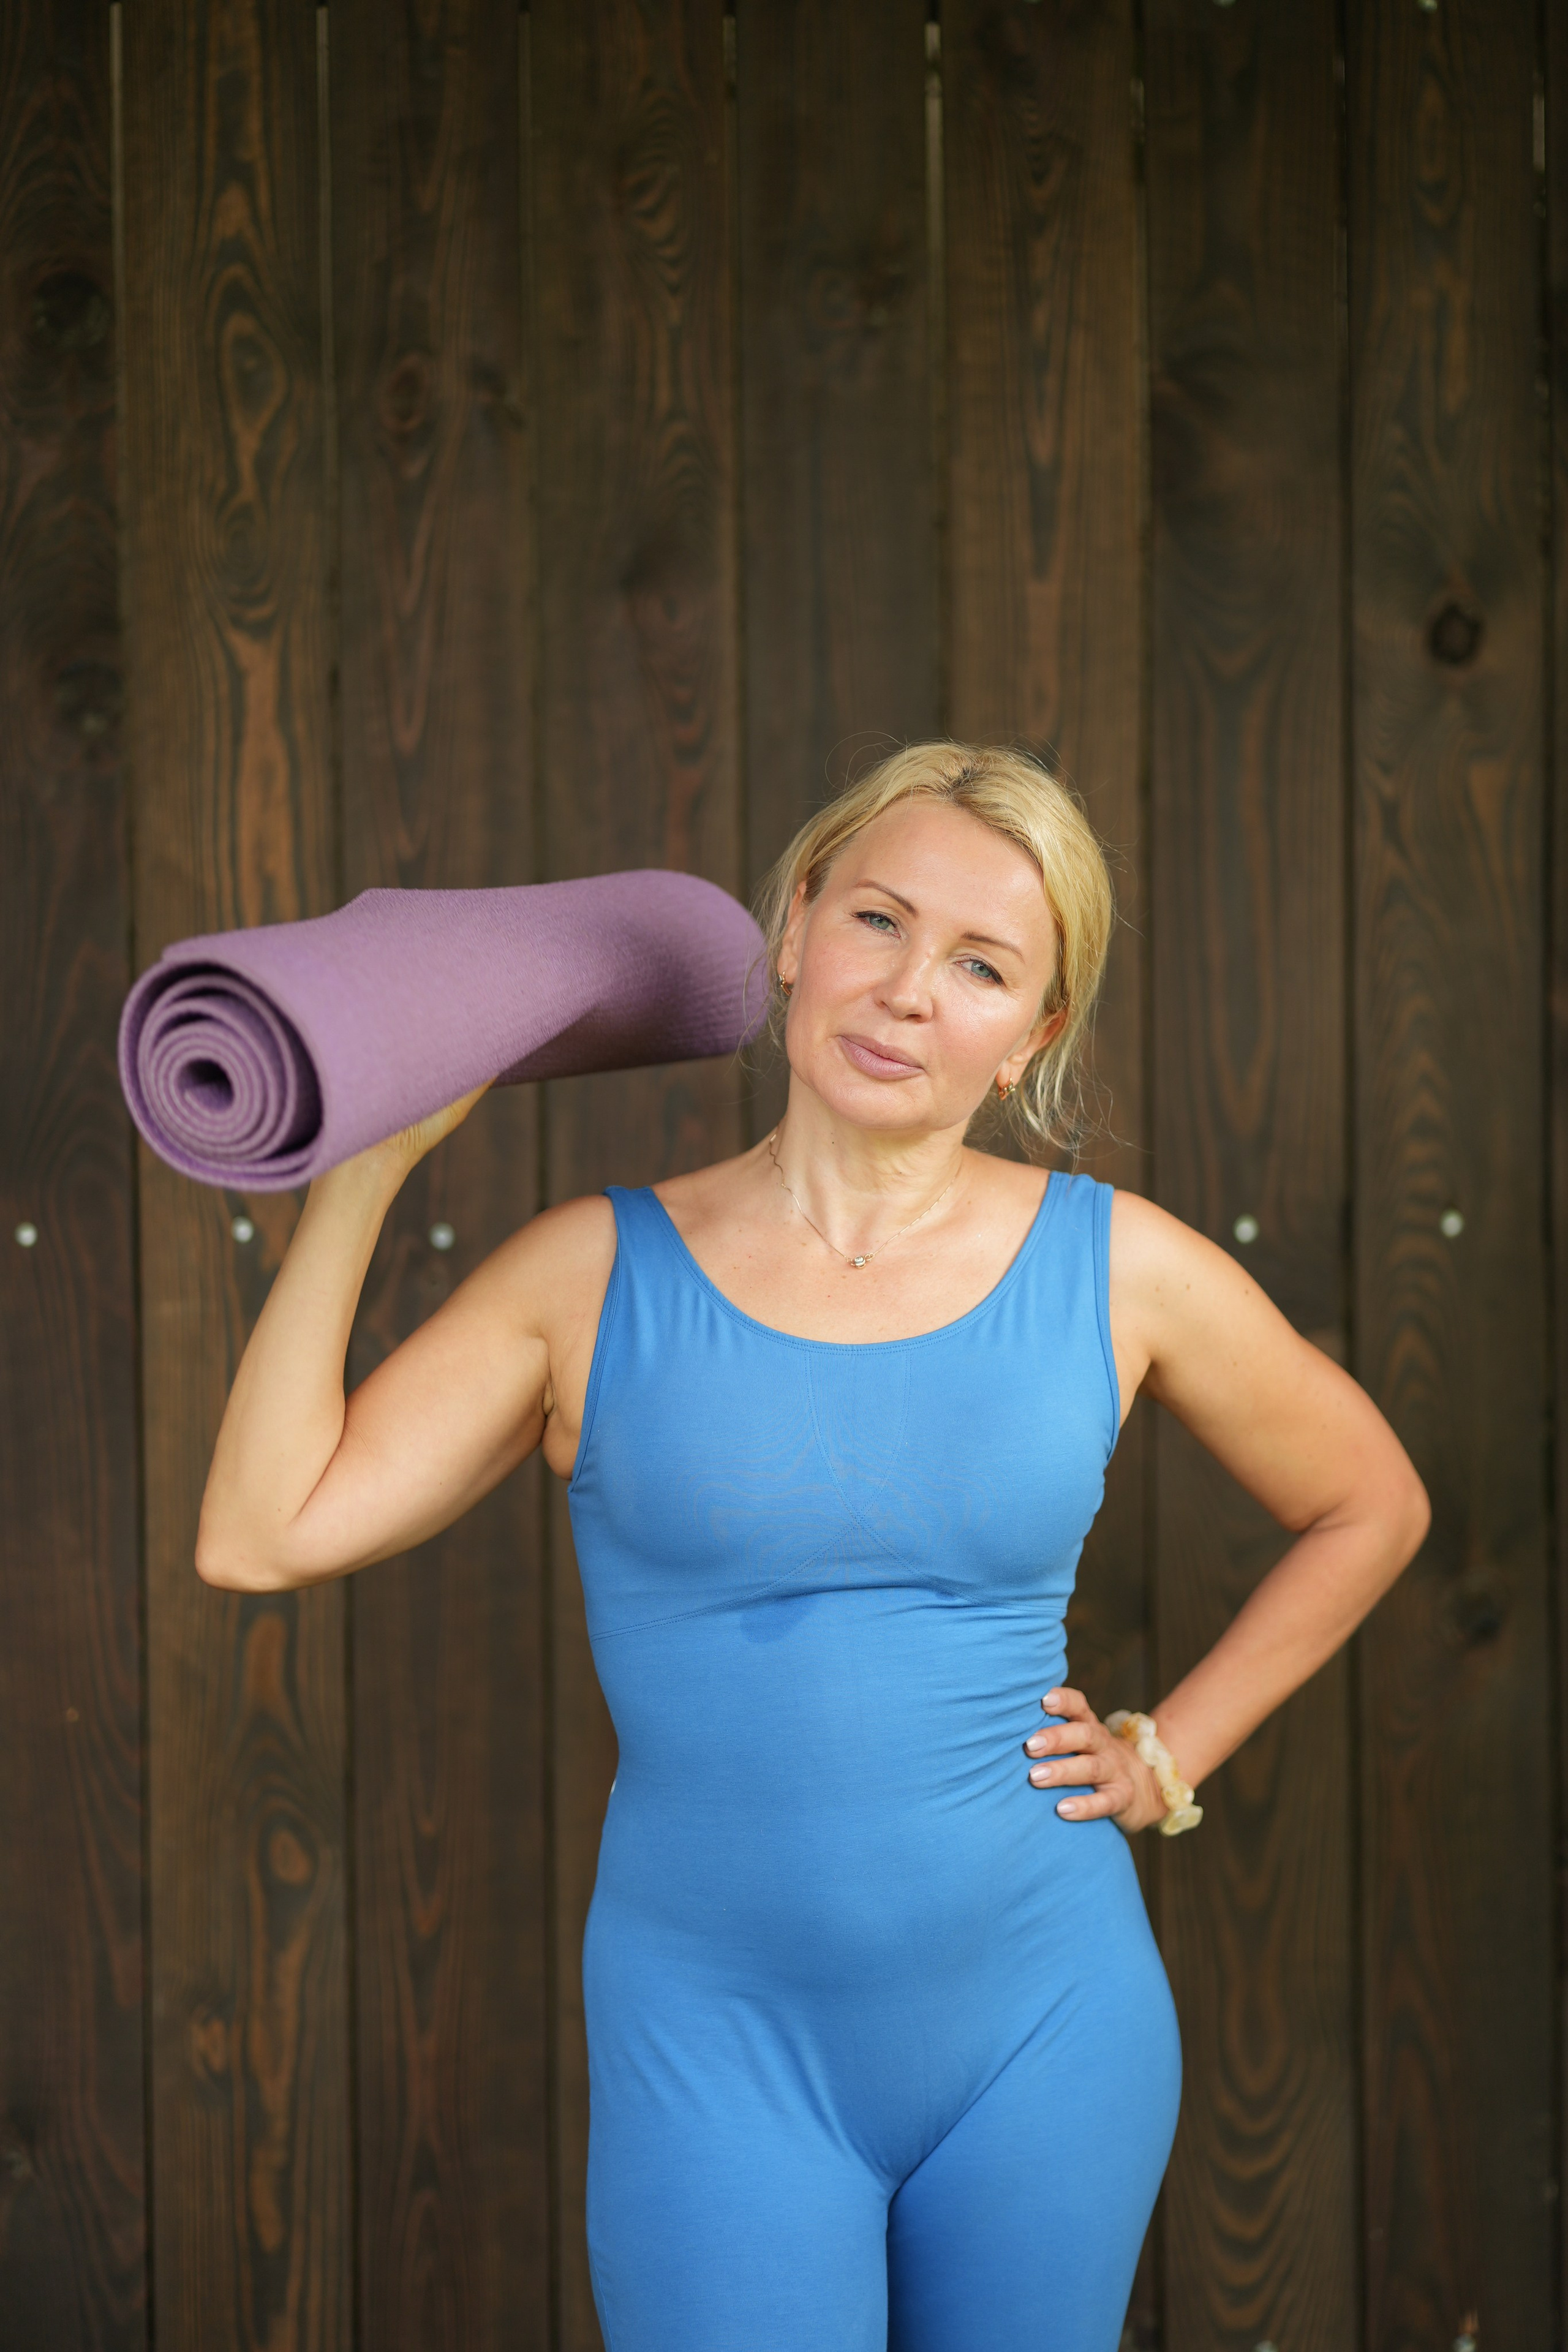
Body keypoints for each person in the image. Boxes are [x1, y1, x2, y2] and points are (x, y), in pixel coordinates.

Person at [194, 741, 1429, 2352]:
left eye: (982, 965)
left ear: (1031, 1036)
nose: (910, 990)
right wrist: (361, 1180)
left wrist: (1168, 1752)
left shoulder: (1121, 1270)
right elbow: (260, 1531)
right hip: (716, 2043)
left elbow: (1372, 1502)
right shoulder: (589, 1277)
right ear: (792, 931)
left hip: (1046, 2027)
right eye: (878, 922)